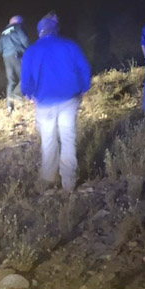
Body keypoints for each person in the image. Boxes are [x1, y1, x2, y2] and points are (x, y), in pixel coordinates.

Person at [21, 15, 91, 192]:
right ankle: (69, 182)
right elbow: (84, 68)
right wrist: (83, 87)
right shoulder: (69, 45)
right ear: (56, 30)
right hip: (69, 99)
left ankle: (49, 179)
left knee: (48, 140)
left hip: (44, 103)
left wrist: (30, 94)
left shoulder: (31, 51)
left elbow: (25, 80)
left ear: (39, 32)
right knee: (68, 139)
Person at [0, 15, 30, 114]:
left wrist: (6, 52)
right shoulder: (17, 28)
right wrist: (29, 50)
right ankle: (17, 95)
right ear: (18, 22)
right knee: (26, 77)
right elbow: (24, 40)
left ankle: (9, 107)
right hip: (17, 55)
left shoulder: (1, 33)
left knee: (11, 82)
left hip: (6, 58)